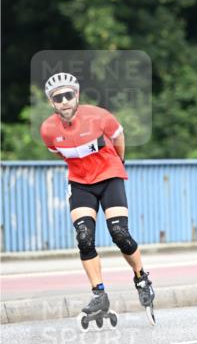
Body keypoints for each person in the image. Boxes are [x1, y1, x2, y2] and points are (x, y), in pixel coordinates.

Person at [39, 72, 156, 325]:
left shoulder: (100, 117)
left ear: (77, 95)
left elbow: (119, 138)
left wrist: (119, 163)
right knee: (84, 237)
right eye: (58, 98)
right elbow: (60, 154)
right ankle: (99, 294)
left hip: (109, 176)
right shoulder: (48, 130)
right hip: (81, 182)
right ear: (51, 103)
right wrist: (81, 170)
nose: (64, 101)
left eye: (68, 95)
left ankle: (141, 277)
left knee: (120, 234)